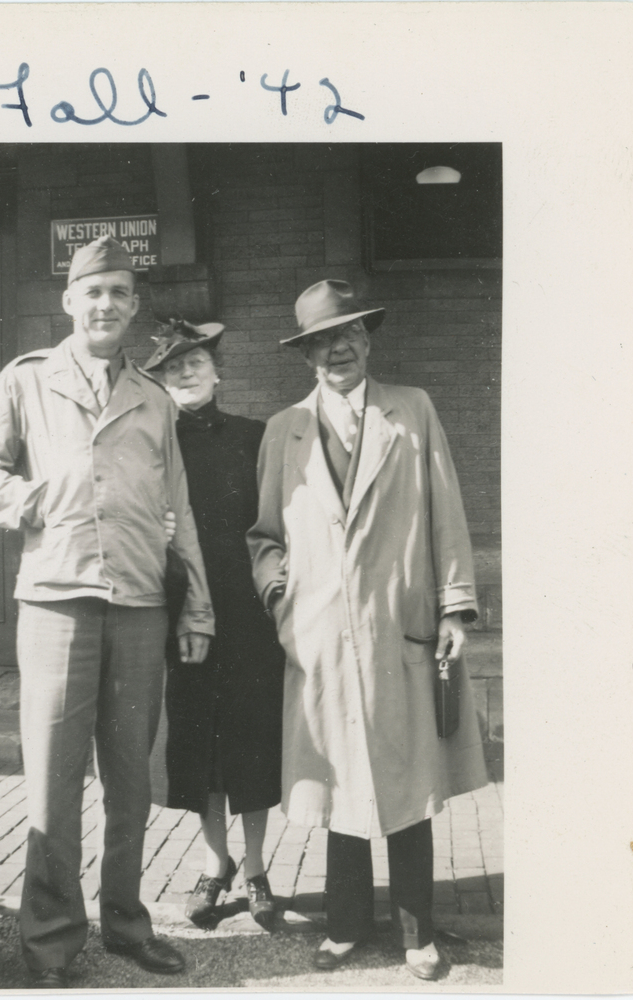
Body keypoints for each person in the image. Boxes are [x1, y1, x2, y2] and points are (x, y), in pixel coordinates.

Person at [0, 236, 214, 986]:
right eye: (91, 293)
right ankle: (50, 942)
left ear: (133, 309)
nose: (104, 306)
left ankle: (128, 925)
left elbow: (180, 509)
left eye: (118, 295)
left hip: (139, 602)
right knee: (54, 781)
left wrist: (195, 608)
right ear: (69, 303)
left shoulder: (154, 398)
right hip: (57, 602)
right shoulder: (27, 380)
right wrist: (34, 499)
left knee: (130, 779)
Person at [247, 280, 487, 981]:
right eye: (321, 340)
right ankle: (347, 927)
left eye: (347, 334)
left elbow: (447, 510)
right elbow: (263, 535)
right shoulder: (283, 430)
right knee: (340, 786)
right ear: (306, 356)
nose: (337, 348)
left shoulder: (410, 411)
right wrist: (283, 602)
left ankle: (419, 936)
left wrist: (451, 609)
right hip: (320, 636)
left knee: (408, 781)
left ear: (368, 339)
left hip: (398, 629)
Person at [143, 320, 285, 931]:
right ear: (162, 381)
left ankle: (255, 869)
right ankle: (214, 862)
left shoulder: (257, 437)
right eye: (173, 366)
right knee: (199, 741)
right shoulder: (155, 445)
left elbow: (282, 520)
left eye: (195, 360)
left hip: (250, 615)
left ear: (217, 370)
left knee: (252, 740)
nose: (186, 372)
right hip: (187, 617)